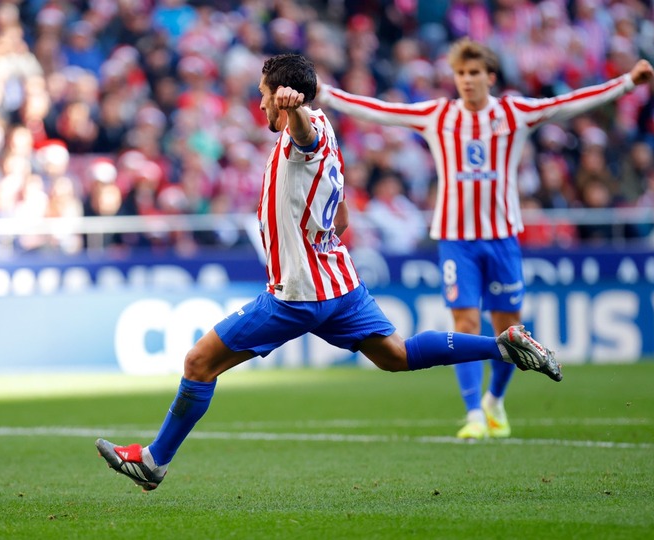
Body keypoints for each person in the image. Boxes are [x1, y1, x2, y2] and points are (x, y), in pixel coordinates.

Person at [96, 53, 562, 491]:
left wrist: (292, 111)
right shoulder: (325, 129)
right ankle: (502, 346)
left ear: (284, 96)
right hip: (341, 285)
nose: (259, 103)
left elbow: (304, 139)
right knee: (395, 354)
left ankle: (155, 461)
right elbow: (340, 220)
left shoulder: (304, 132)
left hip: (297, 294)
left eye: (264, 94)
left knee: (199, 362)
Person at [317, 39, 654, 440]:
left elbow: (569, 103)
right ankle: (474, 413)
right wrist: (327, 95)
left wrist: (627, 83)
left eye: (474, 73)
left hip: (502, 238)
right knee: (465, 320)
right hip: (456, 239)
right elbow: (381, 111)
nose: (467, 81)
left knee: (509, 329)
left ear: (490, 77)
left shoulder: (514, 113)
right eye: (460, 74)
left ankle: (495, 400)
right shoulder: (438, 115)